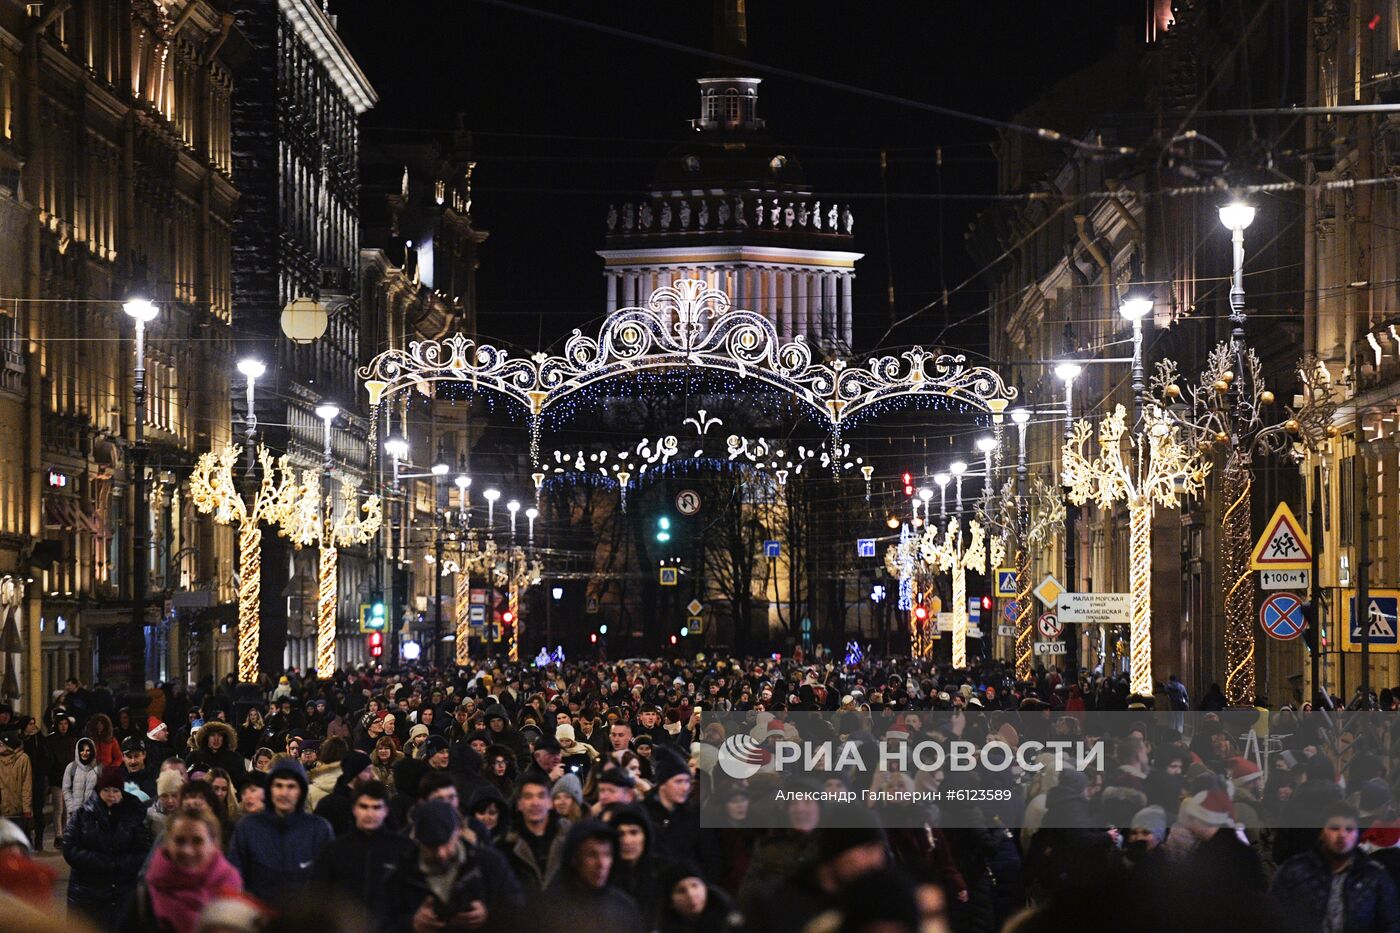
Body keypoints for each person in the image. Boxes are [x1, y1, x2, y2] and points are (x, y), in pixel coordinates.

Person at [382, 798, 524, 931]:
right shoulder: (402, 873)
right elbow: (384, 921)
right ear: (417, 841)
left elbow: (516, 907)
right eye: (432, 847)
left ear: (458, 832)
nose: (441, 853)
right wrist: (412, 923)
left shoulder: (489, 863)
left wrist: (488, 915)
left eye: (445, 843)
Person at [1270, 802, 1400, 932]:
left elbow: (1390, 923)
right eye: (1334, 828)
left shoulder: (1374, 875)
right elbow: (1273, 918)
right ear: (1321, 832)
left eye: (1349, 829)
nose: (1342, 835)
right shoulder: (1294, 871)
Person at [226, 758, 333, 906]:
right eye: (278, 785)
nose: (284, 793)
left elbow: (327, 883)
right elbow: (235, 877)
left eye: (291, 786)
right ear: (270, 789)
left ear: (301, 790)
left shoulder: (319, 829)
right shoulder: (248, 827)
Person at [309, 780, 413, 925]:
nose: (370, 814)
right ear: (354, 809)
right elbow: (319, 894)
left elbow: (410, 897)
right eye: (364, 807)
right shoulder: (334, 850)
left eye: (376, 807)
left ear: (386, 811)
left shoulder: (403, 849)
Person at [63, 766, 152, 929]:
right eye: (107, 790)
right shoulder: (82, 815)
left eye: (116, 791)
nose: (111, 795)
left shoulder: (133, 815)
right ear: (99, 790)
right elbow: (70, 848)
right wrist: (100, 861)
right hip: (87, 893)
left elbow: (143, 851)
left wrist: (121, 863)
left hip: (122, 893)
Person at [127, 809, 242, 932]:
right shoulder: (144, 900)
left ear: (213, 843)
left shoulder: (232, 896)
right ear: (168, 843)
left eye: (197, 841)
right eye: (179, 840)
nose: (187, 850)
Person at [499, 772, 569, 893]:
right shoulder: (505, 846)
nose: (535, 803)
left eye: (541, 796)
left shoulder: (570, 840)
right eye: (528, 796)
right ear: (519, 804)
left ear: (550, 802)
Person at [657, 860, 740, 933]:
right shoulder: (663, 925)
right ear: (671, 902)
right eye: (681, 891)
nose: (691, 895)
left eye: (695, 885)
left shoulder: (728, 914)